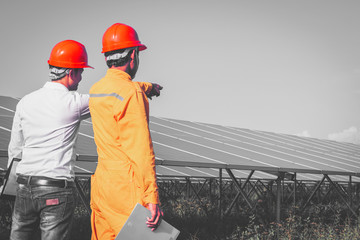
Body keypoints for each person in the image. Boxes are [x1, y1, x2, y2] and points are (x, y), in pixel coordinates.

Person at [8, 40, 93, 240]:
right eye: (81, 72)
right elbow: (114, 97)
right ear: (71, 73)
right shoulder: (75, 102)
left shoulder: (25, 102)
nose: (81, 78)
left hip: (23, 187)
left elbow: (15, 149)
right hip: (56, 189)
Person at [89, 23, 163, 240]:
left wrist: (149, 87)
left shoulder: (97, 90)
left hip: (102, 184)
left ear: (106, 58)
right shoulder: (130, 93)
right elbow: (141, 150)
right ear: (133, 55)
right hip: (127, 186)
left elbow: (118, 89)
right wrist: (152, 198)